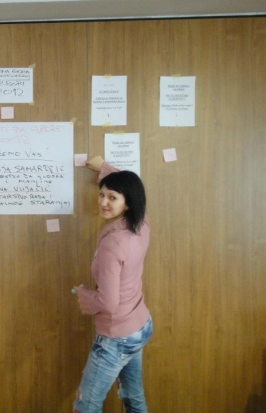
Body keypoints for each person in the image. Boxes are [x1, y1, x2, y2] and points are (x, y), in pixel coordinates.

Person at [73, 155, 153, 413]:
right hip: (139, 326)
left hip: (116, 334)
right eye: (102, 194)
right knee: (133, 397)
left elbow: (108, 302)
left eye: (112, 197)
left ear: (127, 203)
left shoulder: (113, 243)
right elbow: (131, 188)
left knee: (86, 405)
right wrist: (104, 169)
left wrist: (85, 295)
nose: (103, 202)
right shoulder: (141, 223)